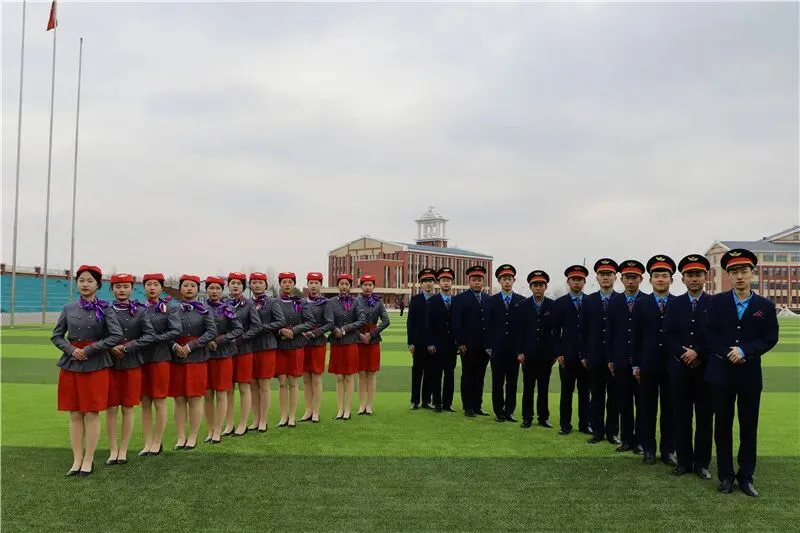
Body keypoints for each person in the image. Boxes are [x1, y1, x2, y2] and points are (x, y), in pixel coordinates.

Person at [705, 248, 779, 497]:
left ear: (752, 273)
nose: (739, 276)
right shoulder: (716, 302)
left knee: (749, 427)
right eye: (734, 271)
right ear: (728, 274)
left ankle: (746, 476)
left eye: (744, 271)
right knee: (722, 425)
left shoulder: (765, 306)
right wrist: (729, 352)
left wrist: (745, 350)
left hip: (749, 374)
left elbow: (770, 337)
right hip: (721, 372)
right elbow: (709, 333)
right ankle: (725, 476)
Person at [51, 265, 123, 476]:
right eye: (81, 280)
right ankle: (77, 459)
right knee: (74, 413)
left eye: (90, 281)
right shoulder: (68, 308)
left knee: (91, 413)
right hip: (71, 363)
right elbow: (56, 336)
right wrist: (71, 350)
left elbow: (116, 336)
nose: (85, 284)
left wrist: (90, 349)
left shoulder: (106, 308)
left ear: (98, 285)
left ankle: (89, 459)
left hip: (96, 364)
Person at [662, 254, 713, 480]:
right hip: (680, 370)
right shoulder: (674, 304)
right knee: (681, 418)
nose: (694, 279)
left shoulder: (715, 303)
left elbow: (717, 334)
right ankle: (683, 462)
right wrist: (684, 355)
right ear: (682, 279)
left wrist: (698, 352)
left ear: (705, 277)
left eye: (698, 274)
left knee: (704, 419)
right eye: (689, 275)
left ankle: (702, 464)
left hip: (706, 370)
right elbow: (667, 334)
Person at [632, 256, 677, 466]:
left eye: (664, 276)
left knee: (670, 410)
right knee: (647, 409)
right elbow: (635, 336)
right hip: (648, 364)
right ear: (650, 280)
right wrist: (636, 364)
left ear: (671, 280)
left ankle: (668, 450)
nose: (660, 279)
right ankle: (648, 449)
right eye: (656, 276)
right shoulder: (641, 303)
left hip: (672, 365)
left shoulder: (678, 303)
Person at [106, 273, 155, 466]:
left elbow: (149, 335)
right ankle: (113, 449)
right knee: (111, 408)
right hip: (109, 363)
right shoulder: (104, 310)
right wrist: (110, 347)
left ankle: (123, 450)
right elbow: (98, 335)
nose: (122, 290)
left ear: (132, 289)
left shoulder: (140, 311)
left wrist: (127, 347)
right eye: (118, 287)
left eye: (126, 286)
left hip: (132, 363)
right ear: (112, 289)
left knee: (128, 407)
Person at [170, 274, 217, 450]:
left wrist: (190, 347)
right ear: (180, 288)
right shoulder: (172, 310)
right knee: (179, 399)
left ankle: (193, 436)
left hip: (197, 358)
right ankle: (180, 436)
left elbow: (211, 332)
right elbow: (164, 332)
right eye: (186, 285)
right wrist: (175, 346)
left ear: (198, 289)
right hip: (177, 358)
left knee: (195, 398)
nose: (189, 288)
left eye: (192, 286)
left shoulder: (205, 310)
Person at [607, 260, 648, 454]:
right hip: (621, 361)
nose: (631, 281)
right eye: (627, 278)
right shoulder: (614, 302)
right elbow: (610, 333)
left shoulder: (647, 301)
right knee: (624, 403)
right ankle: (626, 440)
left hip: (642, 362)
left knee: (642, 404)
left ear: (641, 279)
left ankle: (640, 441)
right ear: (621, 279)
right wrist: (610, 358)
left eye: (634, 277)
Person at [138, 273, 181, 457]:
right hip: (141, 358)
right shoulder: (137, 308)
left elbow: (176, 330)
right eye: (148, 284)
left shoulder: (169, 308)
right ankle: (148, 442)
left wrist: (153, 339)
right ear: (144, 287)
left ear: (162, 288)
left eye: (156, 284)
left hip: (160, 357)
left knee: (159, 401)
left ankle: (157, 441)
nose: (152, 287)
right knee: (145, 402)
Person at [583, 259, 622, 446]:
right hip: (595, 356)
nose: (605, 278)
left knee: (614, 397)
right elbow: (583, 330)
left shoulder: (621, 300)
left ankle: (612, 432)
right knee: (596, 396)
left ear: (615, 277)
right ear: (597, 278)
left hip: (615, 357)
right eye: (602, 274)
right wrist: (584, 355)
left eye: (609, 274)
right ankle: (597, 431)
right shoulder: (589, 301)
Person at [203, 276, 243, 444]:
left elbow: (238, 329)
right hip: (204, 355)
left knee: (221, 392)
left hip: (224, 354)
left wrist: (219, 340)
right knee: (207, 394)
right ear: (206, 290)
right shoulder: (200, 308)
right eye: (211, 288)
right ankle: (210, 429)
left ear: (222, 290)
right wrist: (205, 341)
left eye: (217, 288)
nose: (214, 291)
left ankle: (218, 430)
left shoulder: (228, 308)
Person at [516, 270, 557, 428]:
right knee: (528, 387)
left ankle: (543, 418)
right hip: (528, 354)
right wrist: (520, 351)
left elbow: (556, 331)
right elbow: (519, 330)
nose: (538, 288)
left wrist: (555, 352)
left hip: (546, 354)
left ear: (546, 287)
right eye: (535, 285)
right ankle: (527, 418)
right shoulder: (523, 305)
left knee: (543, 387)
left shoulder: (552, 305)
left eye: (541, 285)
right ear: (530, 287)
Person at [553, 265, 591, 435]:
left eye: (580, 279)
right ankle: (565, 425)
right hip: (566, 355)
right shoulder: (560, 303)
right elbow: (555, 330)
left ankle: (585, 424)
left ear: (584, 282)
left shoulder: (590, 301)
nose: (577, 282)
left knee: (585, 393)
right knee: (566, 392)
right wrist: (558, 352)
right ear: (568, 282)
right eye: (573, 279)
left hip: (586, 356)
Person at [223, 272, 262, 435]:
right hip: (226, 352)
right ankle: (229, 424)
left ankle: (243, 424)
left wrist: (239, 340)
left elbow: (257, 327)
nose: (235, 286)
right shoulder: (223, 304)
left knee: (244, 387)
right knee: (228, 389)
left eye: (239, 283)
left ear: (243, 287)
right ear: (228, 285)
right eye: (232, 283)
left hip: (244, 351)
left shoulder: (249, 304)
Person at [484, 264, 524, 422]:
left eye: (509, 278)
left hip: (514, 349)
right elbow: (487, 325)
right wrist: (488, 346)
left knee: (512, 382)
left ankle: (509, 411)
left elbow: (523, 327)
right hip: (497, 348)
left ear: (514, 280)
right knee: (497, 382)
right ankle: (499, 411)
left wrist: (521, 349)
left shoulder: (521, 301)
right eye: (504, 279)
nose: (507, 281)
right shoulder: (491, 301)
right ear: (499, 281)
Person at [248, 272, 285, 433]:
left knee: (264, 384)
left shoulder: (272, 302)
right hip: (249, 346)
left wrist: (261, 328)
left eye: (260, 282)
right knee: (252, 385)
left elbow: (280, 321)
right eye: (254, 282)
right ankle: (255, 419)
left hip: (267, 346)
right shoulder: (246, 303)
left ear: (265, 285)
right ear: (250, 285)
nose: (257, 285)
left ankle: (263, 420)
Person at [276, 272, 314, 427]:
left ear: (294, 284)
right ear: (280, 284)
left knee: (293, 382)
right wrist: (280, 331)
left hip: (296, 345)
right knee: (282, 383)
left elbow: (310, 322)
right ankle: (283, 416)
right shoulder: (274, 302)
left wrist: (294, 331)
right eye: (284, 282)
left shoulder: (302, 302)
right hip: (280, 346)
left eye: (290, 282)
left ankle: (292, 416)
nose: (287, 285)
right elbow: (269, 322)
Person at [327, 274, 366, 420]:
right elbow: (328, 320)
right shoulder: (330, 302)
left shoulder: (356, 302)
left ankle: (348, 409)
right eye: (341, 283)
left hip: (350, 342)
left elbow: (361, 320)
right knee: (339, 377)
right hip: (336, 343)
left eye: (346, 284)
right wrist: (334, 329)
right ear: (338, 285)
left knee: (349, 376)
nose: (344, 286)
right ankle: (340, 409)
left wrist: (344, 329)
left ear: (350, 286)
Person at [452, 265, 490, 417]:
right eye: (474, 279)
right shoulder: (460, 299)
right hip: (467, 345)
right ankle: (468, 406)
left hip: (484, 345)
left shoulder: (488, 299)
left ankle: (477, 405)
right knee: (468, 375)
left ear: (483, 281)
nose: (476, 282)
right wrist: (460, 342)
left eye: (479, 279)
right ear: (469, 281)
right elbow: (456, 322)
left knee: (480, 376)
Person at [299, 272, 333, 423]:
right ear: (307, 284)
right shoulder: (301, 302)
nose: (313, 286)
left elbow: (330, 323)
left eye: (316, 283)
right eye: (311, 283)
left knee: (316, 378)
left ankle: (316, 411)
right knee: (306, 379)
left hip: (318, 343)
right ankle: (308, 410)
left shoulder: (326, 303)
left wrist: (314, 333)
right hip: (303, 343)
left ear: (321, 285)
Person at [355, 274, 391, 416]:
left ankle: (369, 405)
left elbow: (386, 321)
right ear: (361, 286)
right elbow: (350, 320)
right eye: (365, 285)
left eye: (370, 285)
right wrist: (360, 335)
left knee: (371, 374)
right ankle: (361, 405)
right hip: (359, 340)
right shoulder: (355, 301)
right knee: (361, 374)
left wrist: (372, 334)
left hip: (373, 340)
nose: (367, 287)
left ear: (373, 286)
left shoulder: (378, 302)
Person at [425, 267, 457, 412]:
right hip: (437, 344)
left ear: (452, 283)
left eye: (448, 280)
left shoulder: (456, 301)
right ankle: (437, 403)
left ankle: (448, 403)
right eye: (443, 280)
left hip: (451, 344)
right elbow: (428, 324)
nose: (446, 283)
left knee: (450, 374)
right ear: (439, 283)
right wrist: (430, 342)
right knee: (436, 374)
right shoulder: (432, 301)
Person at [407, 268, 436, 410]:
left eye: (430, 281)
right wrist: (410, 342)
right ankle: (414, 400)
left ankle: (426, 400)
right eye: (425, 281)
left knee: (430, 372)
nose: (428, 284)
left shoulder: (437, 300)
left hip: (434, 343)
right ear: (421, 284)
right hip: (418, 342)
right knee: (417, 372)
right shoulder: (415, 300)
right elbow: (411, 322)